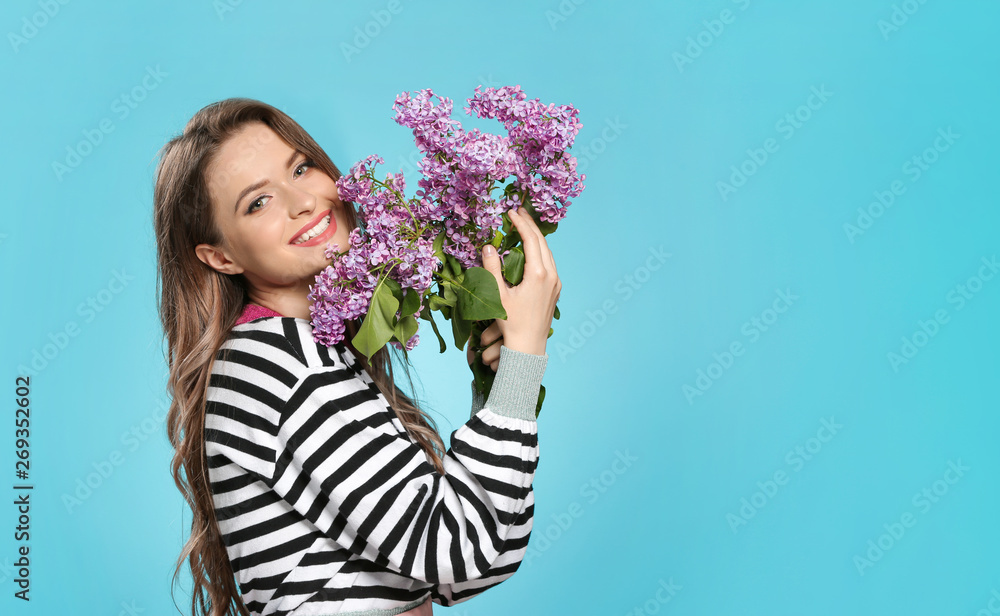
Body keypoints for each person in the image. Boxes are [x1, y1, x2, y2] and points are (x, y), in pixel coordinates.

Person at [153, 98, 561, 616]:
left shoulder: (307, 352)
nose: (302, 202)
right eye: (258, 202)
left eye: (301, 167)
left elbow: (476, 565)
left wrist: (499, 381)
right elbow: (461, 553)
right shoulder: (280, 367)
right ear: (221, 257)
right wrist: (524, 359)